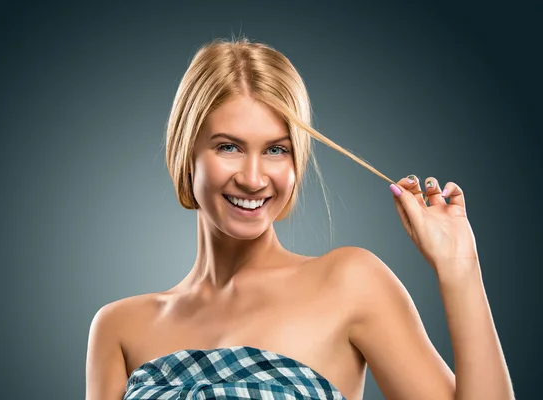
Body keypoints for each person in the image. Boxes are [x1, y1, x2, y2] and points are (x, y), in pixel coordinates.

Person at [85, 37, 514, 400]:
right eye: (228, 146)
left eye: (276, 149)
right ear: (187, 154)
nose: (253, 178)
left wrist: (459, 268)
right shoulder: (118, 328)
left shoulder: (350, 282)